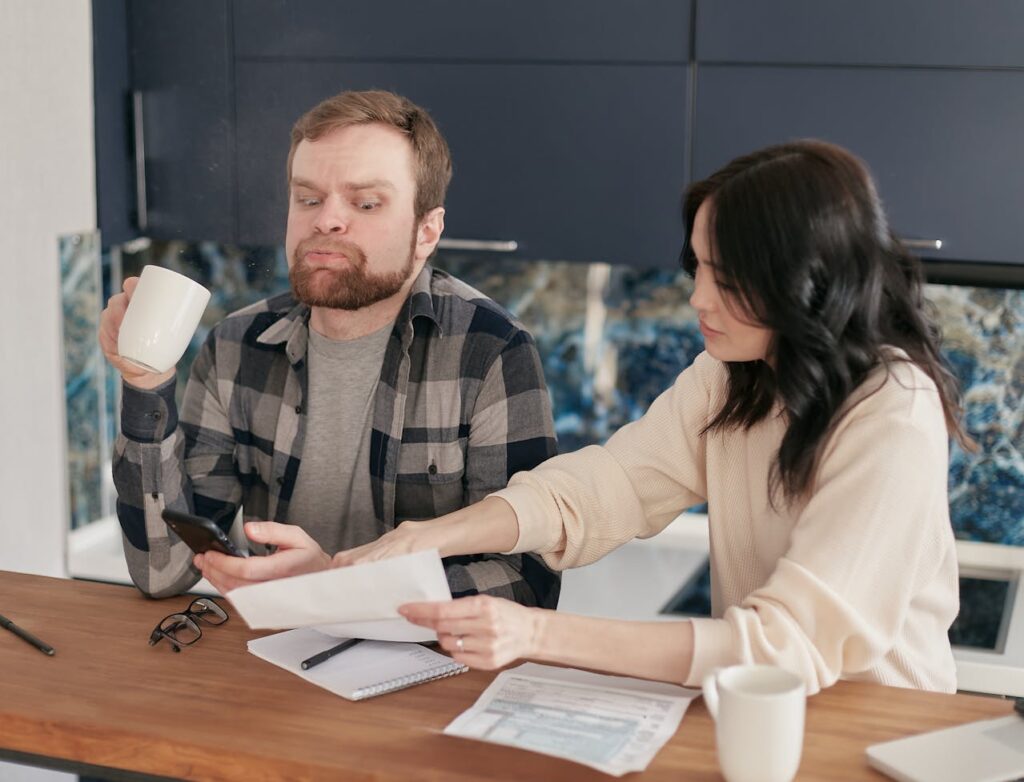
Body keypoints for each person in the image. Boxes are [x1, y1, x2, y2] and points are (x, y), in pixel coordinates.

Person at [312, 139, 969, 695]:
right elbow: (610, 487)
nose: (697, 297)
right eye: (699, 267)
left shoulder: (894, 411)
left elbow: (785, 643)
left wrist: (534, 633)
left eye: (727, 276)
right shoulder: (732, 378)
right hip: (759, 716)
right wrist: (426, 537)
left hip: (873, 734)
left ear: (805, 278)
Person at [100, 90, 560, 609]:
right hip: (277, 656)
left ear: (427, 231)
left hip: (433, 668)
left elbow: (528, 587)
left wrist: (343, 589)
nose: (326, 220)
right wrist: (145, 385)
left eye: (366, 203)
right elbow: (160, 571)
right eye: (309, 198)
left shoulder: (491, 350)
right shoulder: (236, 346)